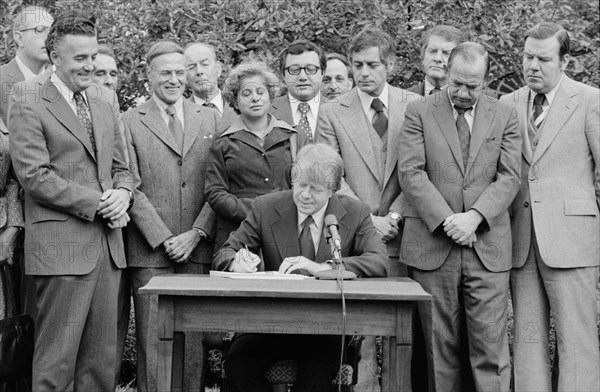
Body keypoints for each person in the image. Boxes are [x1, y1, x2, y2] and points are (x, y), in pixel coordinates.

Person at [9, 12, 133, 392]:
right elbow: (34, 176)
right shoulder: (26, 96)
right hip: (60, 250)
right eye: (80, 58)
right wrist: (100, 202)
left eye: (93, 56)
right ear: (54, 56)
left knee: (100, 366)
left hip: (108, 250)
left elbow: (123, 169)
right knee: (55, 365)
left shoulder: (105, 97)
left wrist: (124, 194)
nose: (91, 65)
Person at [213, 143, 388, 392]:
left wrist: (322, 267)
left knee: (317, 372)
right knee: (238, 365)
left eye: (315, 189)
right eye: (300, 185)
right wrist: (236, 262)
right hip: (270, 324)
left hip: (326, 327)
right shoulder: (265, 207)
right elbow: (225, 253)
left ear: (333, 189)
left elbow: (379, 261)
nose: (305, 195)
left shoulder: (355, 212)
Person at [398, 42, 521, 392]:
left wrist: (475, 218)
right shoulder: (419, 111)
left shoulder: (505, 113)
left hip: (488, 248)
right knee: (439, 354)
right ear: (446, 72)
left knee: (491, 352)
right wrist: (449, 220)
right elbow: (411, 173)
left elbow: (509, 176)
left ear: (486, 79)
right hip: (434, 246)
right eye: (458, 83)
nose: (465, 92)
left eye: (474, 85)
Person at [316, 26, 419, 391]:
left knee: (400, 330)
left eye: (372, 64)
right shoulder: (331, 113)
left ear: (389, 64)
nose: (363, 73)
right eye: (357, 65)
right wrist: (369, 219)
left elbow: (421, 169)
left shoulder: (415, 104)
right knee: (358, 332)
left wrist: (393, 216)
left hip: (404, 232)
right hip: (355, 234)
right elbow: (330, 174)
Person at [500, 22, 600, 392]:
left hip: (573, 241)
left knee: (578, 341)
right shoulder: (508, 104)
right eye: (528, 57)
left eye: (543, 59)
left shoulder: (590, 100)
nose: (532, 66)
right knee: (526, 340)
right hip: (521, 242)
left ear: (565, 61)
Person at [122, 41, 219, 392]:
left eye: (181, 72)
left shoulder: (209, 116)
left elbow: (220, 183)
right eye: (166, 72)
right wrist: (164, 237)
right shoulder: (128, 121)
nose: (175, 79)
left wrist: (196, 233)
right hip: (151, 251)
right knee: (153, 342)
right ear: (149, 75)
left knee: (192, 343)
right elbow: (128, 184)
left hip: (198, 247)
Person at [206, 60, 309, 250]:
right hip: (237, 234)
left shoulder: (294, 137)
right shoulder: (222, 141)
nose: (255, 98)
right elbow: (215, 193)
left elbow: (306, 186)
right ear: (235, 100)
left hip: (285, 233)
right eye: (247, 93)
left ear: (270, 96)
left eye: (260, 92)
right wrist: (257, 211)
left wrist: (279, 210)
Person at [0, 5, 53, 124]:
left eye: (51, 32)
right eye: (40, 30)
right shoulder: (1, 80)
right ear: (19, 38)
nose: (48, 38)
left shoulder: (59, 82)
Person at [270, 39, 326, 141]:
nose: (303, 77)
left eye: (311, 69)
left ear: (323, 73)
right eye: (294, 70)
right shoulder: (267, 112)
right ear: (283, 75)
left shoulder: (338, 112)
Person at [184, 42, 237, 130]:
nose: (199, 71)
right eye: (191, 67)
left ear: (218, 69)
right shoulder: (180, 114)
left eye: (205, 64)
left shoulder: (241, 106)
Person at [407, 25, 465, 96]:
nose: (437, 58)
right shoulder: (404, 99)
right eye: (432, 51)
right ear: (423, 56)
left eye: (446, 53)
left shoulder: (471, 101)